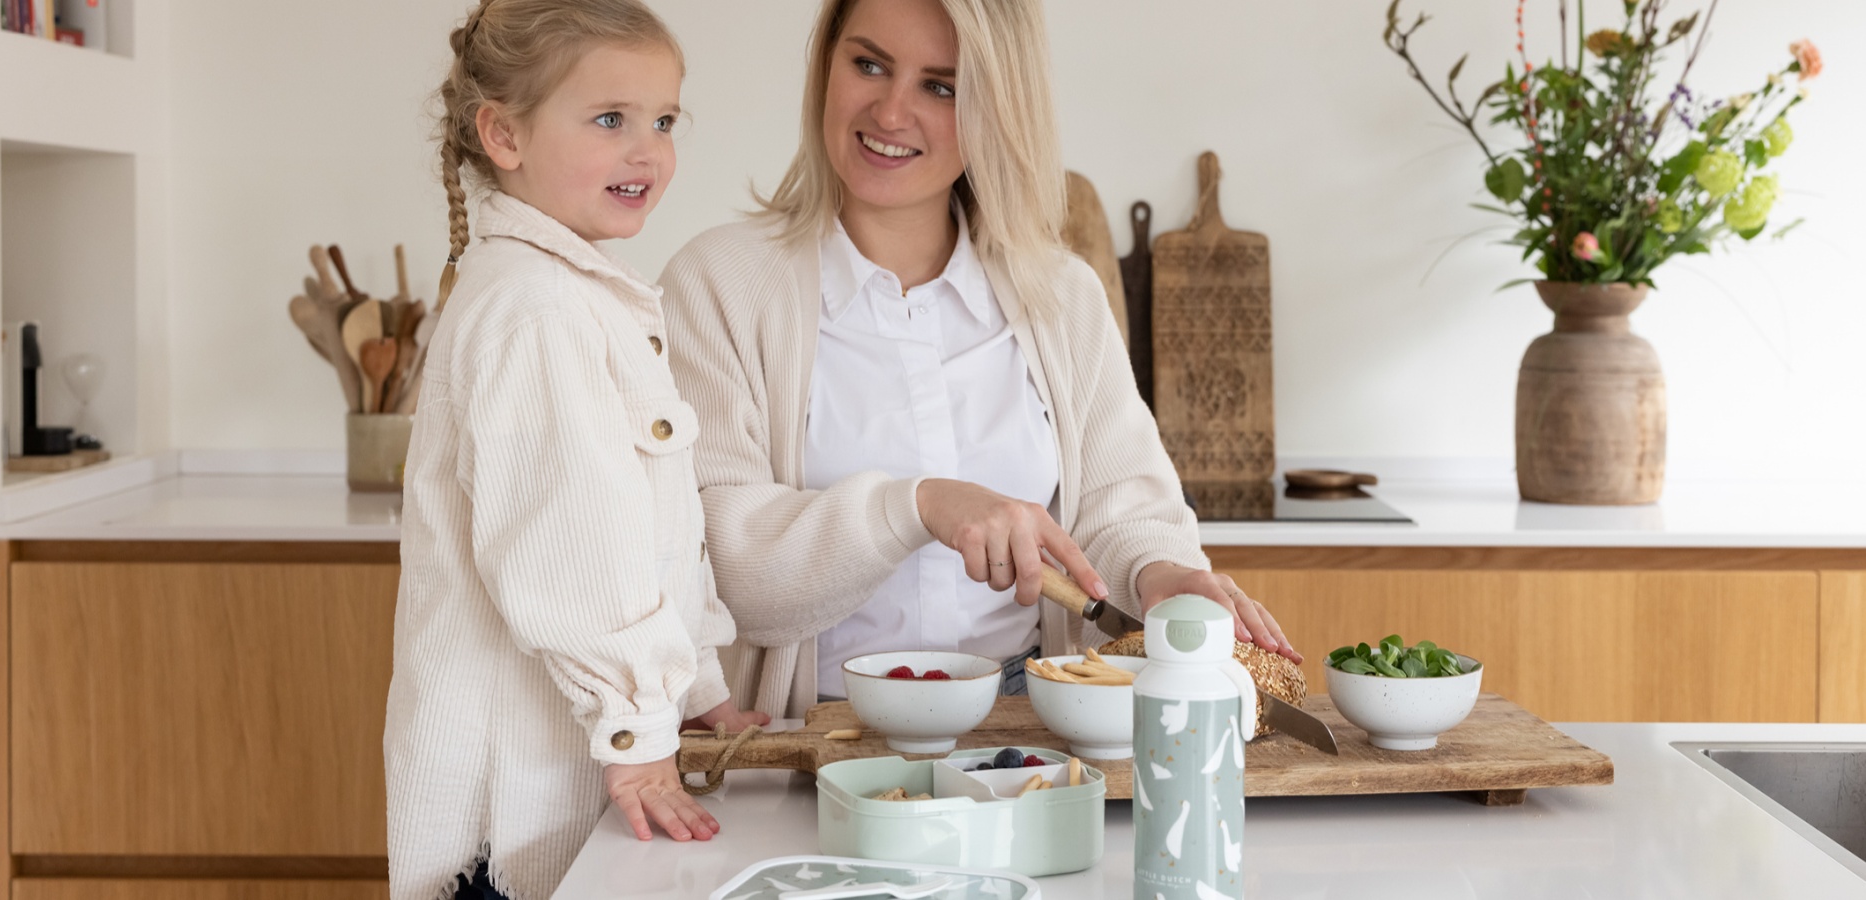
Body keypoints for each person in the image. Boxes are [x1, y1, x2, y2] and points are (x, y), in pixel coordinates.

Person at [660, 0, 1299, 722]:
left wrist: (1164, 572)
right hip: (814, 732)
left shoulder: (1061, 296)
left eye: (942, 86)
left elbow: (1126, 509)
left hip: (1028, 722)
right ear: (826, 68)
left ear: (996, 109)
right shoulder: (718, 284)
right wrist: (918, 505)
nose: (892, 112)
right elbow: (724, 568)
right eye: (868, 64)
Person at [385, 2, 766, 898]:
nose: (648, 151)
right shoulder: (537, 311)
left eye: (664, 121)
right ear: (503, 134)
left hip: (581, 770)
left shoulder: (581, 297)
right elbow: (569, 550)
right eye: (610, 120)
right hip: (515, 807)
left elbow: (653, 534)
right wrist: (637, 732)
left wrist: (698, 687)